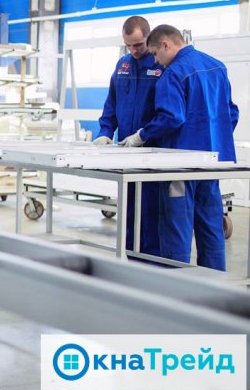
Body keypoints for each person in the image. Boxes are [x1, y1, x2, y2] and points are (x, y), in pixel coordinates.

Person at [120, 24, 239, 271]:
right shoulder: (217, 67)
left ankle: (177, 284)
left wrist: (141, 135)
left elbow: (171, 118)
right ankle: (214, 283)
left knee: (177, 228)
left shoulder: (173, 73)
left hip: (180, 168)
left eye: (155, 54)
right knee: (210, 226)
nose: (156, 60)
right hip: (211, 165)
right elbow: (231, 114)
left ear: (166, 44)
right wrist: (214, 138)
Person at [93, 16, 164, 256]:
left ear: (149, 37)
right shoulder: (122, 65)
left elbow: (166, 112)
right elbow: (111, 105)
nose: (133, 50)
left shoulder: (161, 65)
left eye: (138, 44)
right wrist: (105, 132)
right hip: (126, 151)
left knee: (151, 212)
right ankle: (129, 259)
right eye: (128, 45)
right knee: (129, 209)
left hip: (153, 151)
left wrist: (144, 135)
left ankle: (150, 263)